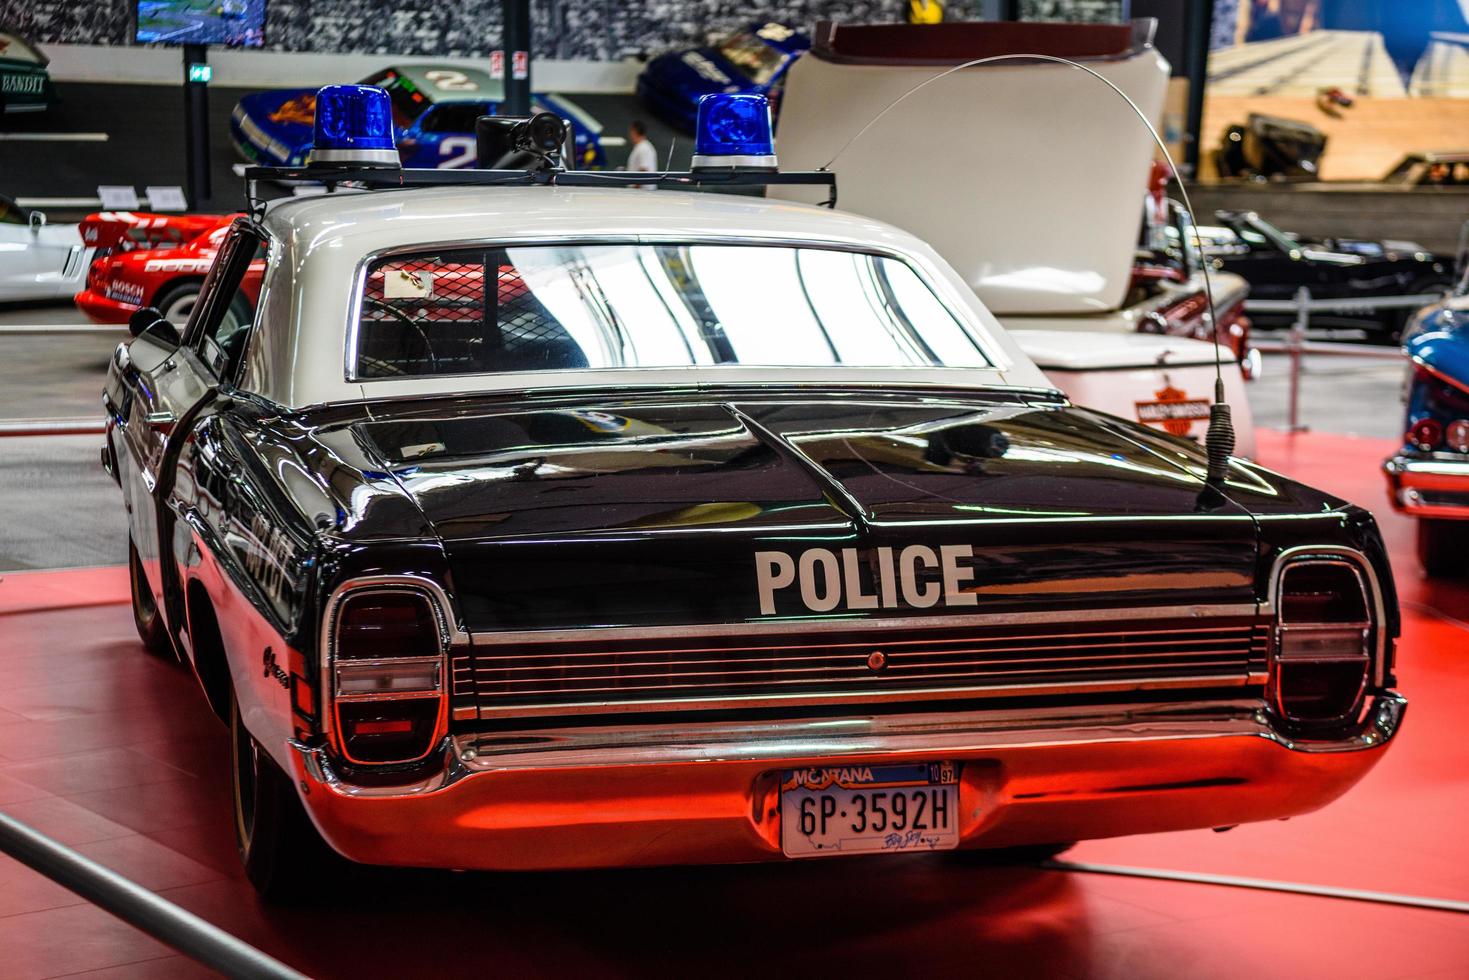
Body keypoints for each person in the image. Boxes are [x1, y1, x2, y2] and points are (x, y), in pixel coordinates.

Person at [626, 120, 658, 188]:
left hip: (642, 194)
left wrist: (635, 187)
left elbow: (644, 169)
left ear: (634, 131)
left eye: (631, 131)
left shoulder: (644, 148)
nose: (630, 134)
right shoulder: (640, 147)